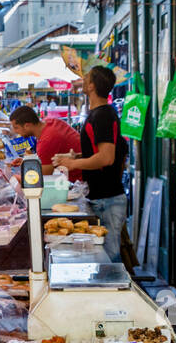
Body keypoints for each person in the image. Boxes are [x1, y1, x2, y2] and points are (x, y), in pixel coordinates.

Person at [52, 65, 128, 258]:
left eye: (86, 78)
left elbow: (106, 157)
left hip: (107, 199)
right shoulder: (99, 113)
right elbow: (102, 152)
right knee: (102, 257)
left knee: (108, 258)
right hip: (101, 197)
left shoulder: (102, 115)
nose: (83, 80)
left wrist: (72, 164)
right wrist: (76, 157)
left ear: (92, 86)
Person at [9, 104, 81, 177]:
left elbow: (43, 177)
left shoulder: (46, 140)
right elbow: (47, 157)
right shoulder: (49, 121)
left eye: (16, 127)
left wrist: (17, 178)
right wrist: (27, 162)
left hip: (82, 180)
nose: (15, 131)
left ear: (27, 125)